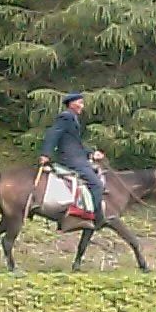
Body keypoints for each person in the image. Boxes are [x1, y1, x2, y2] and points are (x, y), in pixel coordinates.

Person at [38, 92, 105, 224]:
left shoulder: (73, 118)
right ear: (72, 104)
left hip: (77, 157)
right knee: (97, 184)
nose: (82, 106)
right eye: (80, 103)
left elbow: (75, 143)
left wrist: (91, 154)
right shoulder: (65, 117)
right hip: (71, 160)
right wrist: (46, 153)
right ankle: (92, 216)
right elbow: (53, 134)